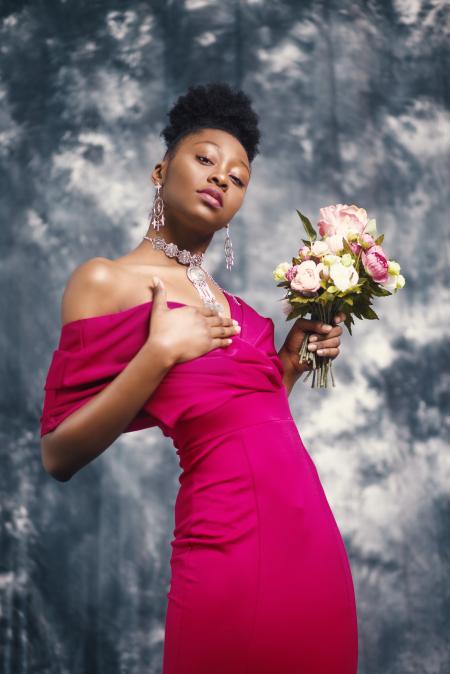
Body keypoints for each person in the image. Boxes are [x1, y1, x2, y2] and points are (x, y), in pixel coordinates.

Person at [39, 82, 358, 674]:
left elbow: (247, 420)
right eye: (205, 159)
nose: (220, 179)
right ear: (161, 170)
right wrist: (156, 352)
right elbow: (58, 454)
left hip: (311, 541)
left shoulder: (243, 312)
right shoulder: (106, 282)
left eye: (237, 178)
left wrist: (287, 367)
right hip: (225, 541)